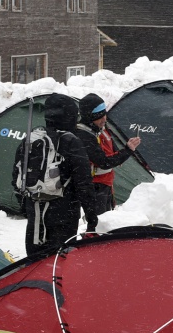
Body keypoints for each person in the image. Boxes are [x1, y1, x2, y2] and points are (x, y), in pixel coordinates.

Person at [18, 93, 93, 256]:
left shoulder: (32, 139)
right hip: (64, 214)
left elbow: (18, 176)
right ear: (70, 116)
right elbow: (84, 183)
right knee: (59, 265)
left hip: (35, 216)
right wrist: (91, 216)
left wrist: (26, 206)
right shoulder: (71, 141)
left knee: (34, 264)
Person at [75, 92, 141, 231]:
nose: (104, 119)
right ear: (90, 117)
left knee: (107, 221)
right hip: (95, 186)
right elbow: (104, 162)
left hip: (105, 183)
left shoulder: (98, 127)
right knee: (99, 224)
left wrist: (119, 153)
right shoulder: (84, 135)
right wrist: (128, 150)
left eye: (104, 114)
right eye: (99, 116)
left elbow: (111, 143)